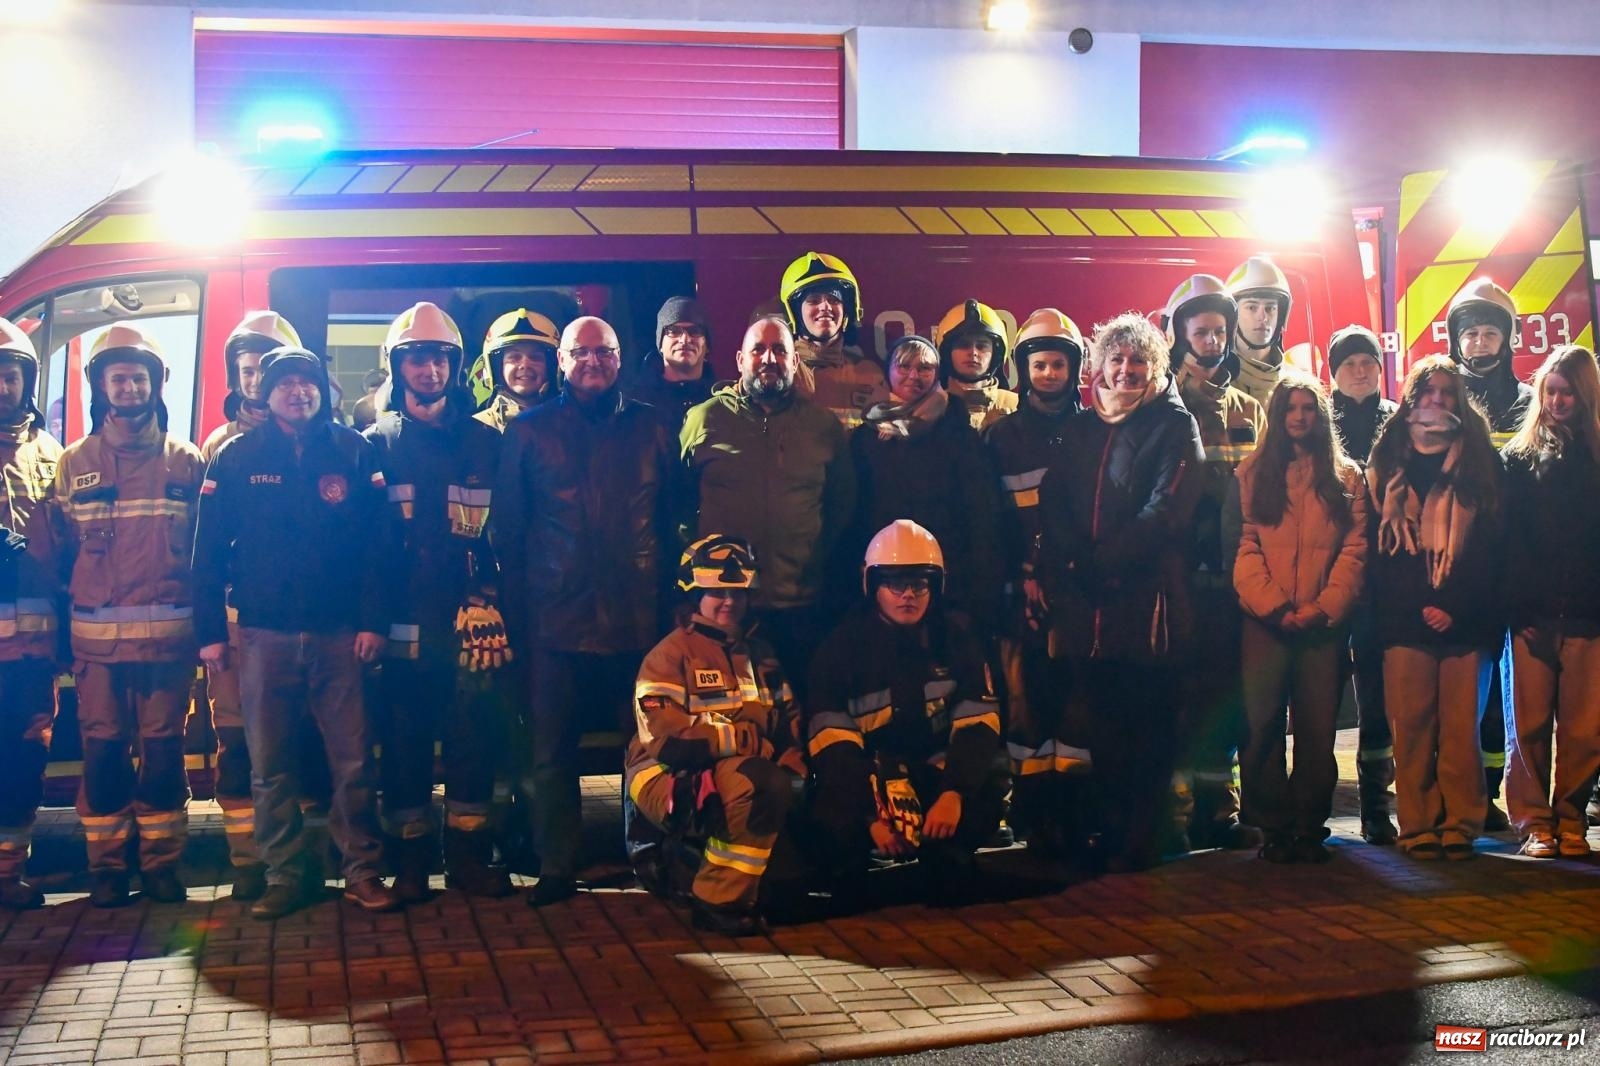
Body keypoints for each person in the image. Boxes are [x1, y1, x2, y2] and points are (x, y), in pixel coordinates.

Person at [193, 345, 401, 918]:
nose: (298, 393)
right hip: (263, 636)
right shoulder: (235, 457)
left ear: (322, 390)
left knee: (354, 761)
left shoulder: (354, 452)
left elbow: (380, 550)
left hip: (340, 636)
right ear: (267, 393)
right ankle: (286, 875)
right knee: (270, 765)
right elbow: (206, 551)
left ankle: (362, 870)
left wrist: (372, 623)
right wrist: (209, 632)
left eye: (308, 383)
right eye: (286, 384)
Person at [493, 315, 682, 907]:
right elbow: (508, 531)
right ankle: (557, 866)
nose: (593, 362)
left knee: (646, 747)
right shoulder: (527, 432)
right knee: (551, 754)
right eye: (581, 353)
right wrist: (523, 614)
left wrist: (672, 604)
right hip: (555, 623)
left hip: (638, 622)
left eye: (605, 352)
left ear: (620, 359)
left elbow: (675, 519)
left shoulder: (654, 427)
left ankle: (649, 858)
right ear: (562, 361)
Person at [1036, 312, 1204, 871]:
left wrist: (1101, 562)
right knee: (1101, 720)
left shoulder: (1174, 425)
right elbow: (1054, 499)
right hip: (1089, 604)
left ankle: (1143, 838)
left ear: (1154, 367)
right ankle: (1110, 830)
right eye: (1117, 359)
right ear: (1100, 366)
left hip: (1147, 602)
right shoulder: (1083, 427)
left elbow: (1168, 509)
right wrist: (1071, 565)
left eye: (1138, 361)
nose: (1127, 370)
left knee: (1150, 722)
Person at [365, 303, 512, 901]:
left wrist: (491, 597)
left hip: (468, 626)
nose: (429, 370)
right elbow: (364, 547)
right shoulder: (373, 445)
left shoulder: (486, 442)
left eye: (440, 359)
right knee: (402, 750)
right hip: (400, 625)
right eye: (417, 358)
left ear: (457, 367)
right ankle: (410, 866)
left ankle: (471, 862)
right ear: (397, 367)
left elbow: (509, 531)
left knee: (472, 746)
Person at [55, 326, 204, 907]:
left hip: (168, 647)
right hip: (99, 651)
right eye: (117, 377)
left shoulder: (186, 461)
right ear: (100, 387)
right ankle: (108, 870)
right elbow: (60, 554)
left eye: (139, 376)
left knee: (165, 755)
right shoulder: (75, 464)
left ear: (156, 386)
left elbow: (205, 554)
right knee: (102, 754)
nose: (129, 386)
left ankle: (163, 867)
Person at [806, 520, 1005, 905]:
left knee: (992, 774)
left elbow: (979, 726)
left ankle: (946, 854)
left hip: (934, 776)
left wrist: (953, 794)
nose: (908, 595)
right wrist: (871, 817)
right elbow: (832, 748)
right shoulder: (840, 650)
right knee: (834, 836)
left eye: (920, 584)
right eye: (895, 584)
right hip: (869, 781)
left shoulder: (956, 640)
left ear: (936, 586)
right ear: (872, 585)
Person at [625, 535, 803, 935]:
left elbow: (787, 719)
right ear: (694, 595)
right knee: (760, 783)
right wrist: (740, 741)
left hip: (741, 771)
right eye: (716, 592)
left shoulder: (760, 654)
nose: (728, 601)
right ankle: (716, 899)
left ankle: (751, 882)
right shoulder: (670, 655)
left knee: (793, 891)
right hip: (667, 774)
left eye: (737, 592)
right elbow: (666, 739)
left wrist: (796, 763)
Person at [1366, 356, 1504, 860]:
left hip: (1466, 623)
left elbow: (1492, 549)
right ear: (1412, 399)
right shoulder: (1386, 464)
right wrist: (1418, 606)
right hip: (1405, 622)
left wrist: (1456, 608)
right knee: (1413, 729)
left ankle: (1461, 822)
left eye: (1448, 393)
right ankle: (1418, 823)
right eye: (1429, 392)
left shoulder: (1481, 464)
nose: (1438, 401)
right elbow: (1378, 557)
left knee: (1460, 730)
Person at [1233, 372, 1369, 863]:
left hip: (1321, 628)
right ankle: (1272, 826)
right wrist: (1274, 607)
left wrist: (1323, 608)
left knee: (1317, 729)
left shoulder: (1348, 478)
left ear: (1320, 416)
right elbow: (1244, 546)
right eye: (1290, 408)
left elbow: (1356, 551)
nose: (1298, 417)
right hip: (1264, 624)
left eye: (1308, 409)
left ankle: (1309, 825)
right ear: (1276, 415)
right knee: (1263, 724)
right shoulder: (1250, 474)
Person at [681, 316, 855, 698]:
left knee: (804, 711)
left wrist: (814, 557)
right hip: (726, 605)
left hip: (801, 604)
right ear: (741, 359)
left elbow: (842, 507)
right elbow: (676, 503)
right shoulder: (704, 419)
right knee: (733, 713)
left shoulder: (822, 426)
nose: (769, 358)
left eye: (780, 350)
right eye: (758, 349)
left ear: (795, 363)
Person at [196, 311, 307, 901]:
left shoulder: (324, 441)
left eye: (261, 368)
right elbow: (207, 550)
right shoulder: (222, 448)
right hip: (244, 629)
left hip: (305, 626)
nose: (252, 379)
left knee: (298, 742)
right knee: (242, 743)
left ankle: (301, 858)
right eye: (243, 370)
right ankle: (250, 859)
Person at [1165, 274, 1265, 852]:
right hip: (1180, 577)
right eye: (1200, 330)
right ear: (1179, 334)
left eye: (1219, 331)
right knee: (1180, 696)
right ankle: (1175, 816)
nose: (1211, 339)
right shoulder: (1164, 403)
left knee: (1223, 699)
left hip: (1232, 579)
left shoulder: (1248, 407)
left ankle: (1216, 810)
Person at [983, 309, 1088, 856]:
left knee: (1076, 706)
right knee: (1024, 705)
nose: (1049, 373)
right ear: (1024, 370)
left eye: (1059, 364)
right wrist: (1014, 583)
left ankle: (1071, 810)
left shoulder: (1094, 429)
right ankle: (1032, 811)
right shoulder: (1002, 437)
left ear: (1075, 369)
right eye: (1039, 364)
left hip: (1077, 592)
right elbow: (992, 523)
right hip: (1021, 596)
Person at [1499, 345, 1600, 858]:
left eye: (1569, 393)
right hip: (1533, 616)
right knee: (1530, 726)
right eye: (1551, 392)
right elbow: (1508, 542)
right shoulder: (1517, 459)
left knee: (1584, 729)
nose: (1559, 402)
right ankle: (1535, 823)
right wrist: (1519, 608)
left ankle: (1571, 819)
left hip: (1589, 614)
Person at [848, 334, 1003, 633]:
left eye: (925, 368)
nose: (913, 376)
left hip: (948, 588)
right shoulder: (864, 440)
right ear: (888, 372)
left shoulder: (961, 436)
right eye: (904, 366)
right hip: (883, 585)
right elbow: (855, 513)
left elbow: (983, 517)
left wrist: (979, 594)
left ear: (937, 375)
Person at [1445, 277, 1528, 830]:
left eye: (1489, 333)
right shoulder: (1441, 403)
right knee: (1464, 692)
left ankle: (1500, 792)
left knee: (1512, 698)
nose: (1479, 342)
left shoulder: (1528, 405)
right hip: (1464, 571)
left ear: (1508, 340)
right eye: (1470, 333)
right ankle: (1468, 792)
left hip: (1519, 571)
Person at [1327, 324, 1400, 845]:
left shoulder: (1396, 422)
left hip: (1380, 583)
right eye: (1350, 362)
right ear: (1334, 372)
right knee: (1318, 697)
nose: (1360, 370)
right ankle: (1311, 804)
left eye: (1367, 361)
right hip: (1325, 580)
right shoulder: (1314, 421)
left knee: (1377, 701)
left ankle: (1377, 807)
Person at [0, 319, 62, 910]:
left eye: (10, 373)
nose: (1, 385)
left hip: (31, 649)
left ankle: (7, 873)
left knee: (24, 756)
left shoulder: (51, 453)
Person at [778, 252, 888, 429]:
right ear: (795, 314)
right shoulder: (780, 372)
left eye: (833, 299)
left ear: (847, 309)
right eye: (814, 300)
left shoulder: (870, 374)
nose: (825, 307)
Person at [628, 297, 716, 429]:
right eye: (674, 331)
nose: (685, 340)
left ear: (707, 344)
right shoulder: (634, 402)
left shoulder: (722, 399)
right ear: (660, 344)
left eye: (694, 331)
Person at [933, 299, 1018, 432]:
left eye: (981, 346)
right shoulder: (931, 410)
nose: (973, 353)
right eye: (963, 345)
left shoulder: (1017, 407)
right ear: (947, 352)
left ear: (996, 354)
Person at [473, 308, 558, 432]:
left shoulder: (570, 427)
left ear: (551, 367)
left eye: (535, 357)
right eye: (514, 357)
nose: (525, 365)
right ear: (497, 367)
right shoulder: (474, 429)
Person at [1225, 256, 1293, 407]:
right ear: (1232, 315)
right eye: (1252, 307)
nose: (1263, 317)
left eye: (1270, 308)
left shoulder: (1295, 386)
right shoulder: (1215, 383)